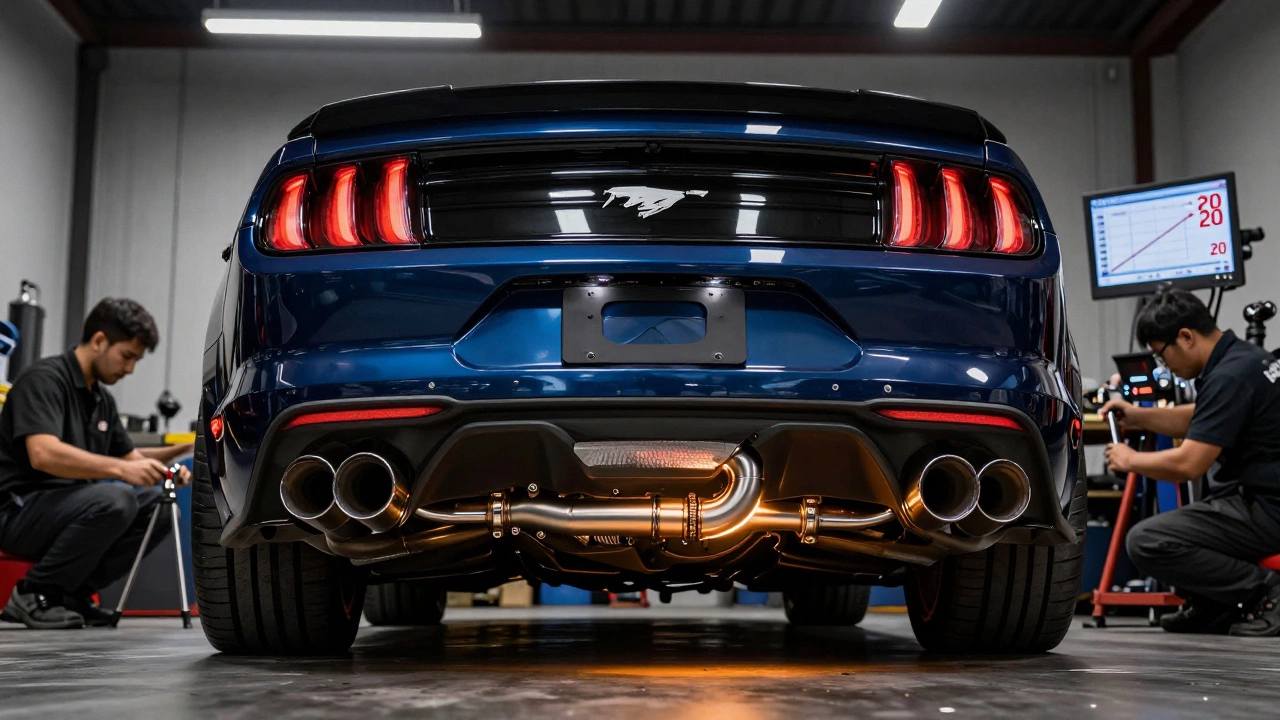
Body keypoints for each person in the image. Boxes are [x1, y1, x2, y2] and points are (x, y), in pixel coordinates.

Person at [0, 298, 192, 629]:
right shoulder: (44, 380)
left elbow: (131, 459)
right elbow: (43, 453)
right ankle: (33, 594)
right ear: (100, 341)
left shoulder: (101, 400)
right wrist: (120, 471)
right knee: (115, 498)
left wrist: (185, 451)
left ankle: (72, 594)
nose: (130, 369)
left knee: (160, 507)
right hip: (17, 511)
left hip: (69, 511)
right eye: (127, 357)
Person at [1101, 288, 1280, 636]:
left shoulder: (1229, 376)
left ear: (1185, 337)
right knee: (1192, 517)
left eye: (1161, 356)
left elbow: (1189, 465)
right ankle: (1218, 604)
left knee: (1148, 540)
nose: (1163, 366)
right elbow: (1205, 417)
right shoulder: (1246, 360)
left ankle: (1265, 591)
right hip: (1266, 500)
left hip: (1269, 509)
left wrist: (1131, 459)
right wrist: (1139, 416)